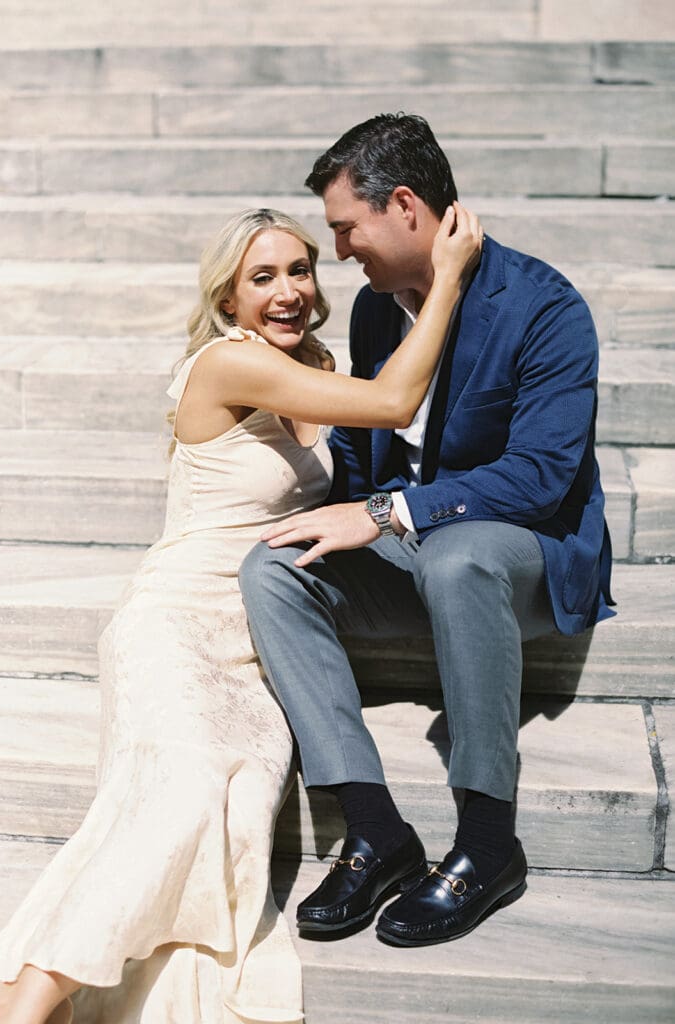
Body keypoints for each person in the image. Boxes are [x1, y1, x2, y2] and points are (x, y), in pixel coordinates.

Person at [0, 204, 480, 1024]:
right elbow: (394, 403)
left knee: (235, 806)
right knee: (176, 796)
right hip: (176, 621)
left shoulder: (317, 358)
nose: (286, 291)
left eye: (298, 270)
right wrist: (449, 276)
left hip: (263, 635)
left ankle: (3, 1003)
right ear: (227, 296)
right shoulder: (225, 365)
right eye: (261, 277)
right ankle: (23, 1008)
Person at [238, 113, 616, 948]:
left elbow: (540, 477)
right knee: (271, 568)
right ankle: (375, 829)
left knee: (460, 554)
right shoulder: (378, 313)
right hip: (418, 552)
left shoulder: (543, 306)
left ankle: (487, 843)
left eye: (344, 228)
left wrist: (381, 513)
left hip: (519, 555)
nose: (338, 253)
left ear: (403, 206)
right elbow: (365, 450)